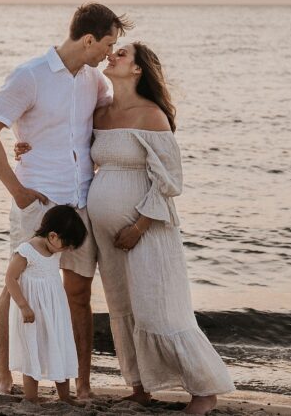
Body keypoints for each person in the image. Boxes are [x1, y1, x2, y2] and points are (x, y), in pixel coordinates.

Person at [16, 42, 234, 415]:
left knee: (159, 310)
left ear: (137, 70)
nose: (111, 57)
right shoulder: (101, 112)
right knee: (122, 308)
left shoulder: (151, 116)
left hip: (147, 229)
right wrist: (25, 149)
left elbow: (169, 182)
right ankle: (140, 387)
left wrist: (140, 225)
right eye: (112, 51)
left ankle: (204, 391)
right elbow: (67, 146)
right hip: (107, 234)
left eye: (121, 54)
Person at [0, 2, 133, 399]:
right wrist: (18, 190)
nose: (109, 53)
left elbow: (105, 125)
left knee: (78, 293)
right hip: (39, 204)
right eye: (108, 43)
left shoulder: (93, 81)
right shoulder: (30, 76)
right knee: (18, 289)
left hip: (80, 202)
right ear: (88, 39)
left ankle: (81, 383)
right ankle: (6, 377)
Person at [5, 206, 89, 404]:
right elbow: (10, 278)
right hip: (32, 312)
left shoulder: (54, 251)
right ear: (52, 235)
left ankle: (65, 396)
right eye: (66, 245)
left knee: (60, 346)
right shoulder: (27, 251)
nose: (67, 249)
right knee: (32, 349)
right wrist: (23, 306)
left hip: (54, 311)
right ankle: (31, 398)